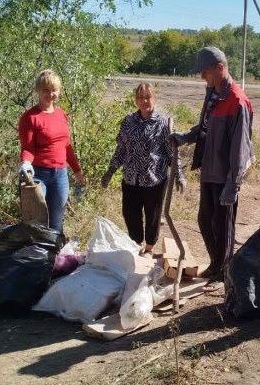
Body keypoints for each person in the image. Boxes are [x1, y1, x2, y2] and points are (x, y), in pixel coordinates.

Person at [170, 46, 254, 281]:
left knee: (223, 226)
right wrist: (186, 136)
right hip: (209, 169)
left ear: (220, 68)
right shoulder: (213, 95)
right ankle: (217, 264)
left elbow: (241, 147)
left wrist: (233, 184)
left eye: (205, 72)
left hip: (226, 175)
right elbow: (205, 128)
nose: (201, 77)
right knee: (205, 220)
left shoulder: (237, 101)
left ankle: (224, 272)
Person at [101, 83, 184, 255]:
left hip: (155, 179)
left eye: (148, 96)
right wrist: (110, 171)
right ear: (135, 100)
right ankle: (137, 243)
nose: (144, 100)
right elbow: (121, 150)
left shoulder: (163, 123)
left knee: (153, 217)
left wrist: (179, 176)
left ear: (154, 98)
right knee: (130, 214)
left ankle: (149, 248)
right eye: (140, 97)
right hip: (131, 178)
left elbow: (172, 153)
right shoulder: (128, 121)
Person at [18, 69, 86, 233]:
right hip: (38, 176)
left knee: (56, 222)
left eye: (54, 90)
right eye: (46, 90)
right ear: (38, 91)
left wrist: (77, 171)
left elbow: (66, 146)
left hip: (60, 175)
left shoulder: (61, 114)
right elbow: (28, 148)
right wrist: (26, 162)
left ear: (59, 91)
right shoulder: (30, 117)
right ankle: (38, 257)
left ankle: (54, 256)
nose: (51, 94)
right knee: (37, 222)